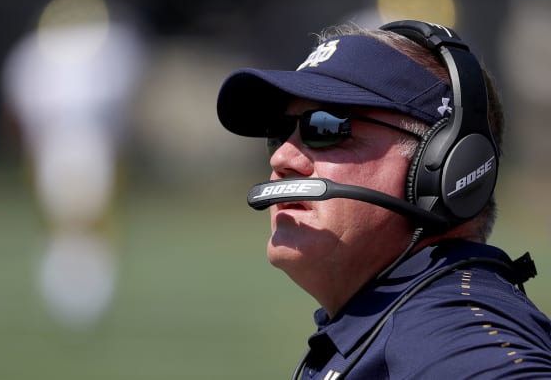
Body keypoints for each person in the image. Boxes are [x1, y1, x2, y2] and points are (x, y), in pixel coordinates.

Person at [216, 20, 551, 379]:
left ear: (444, 166)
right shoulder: (384, 316)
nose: (281, 157)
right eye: (279, 133)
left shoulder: (447, 325)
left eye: (325, 127)